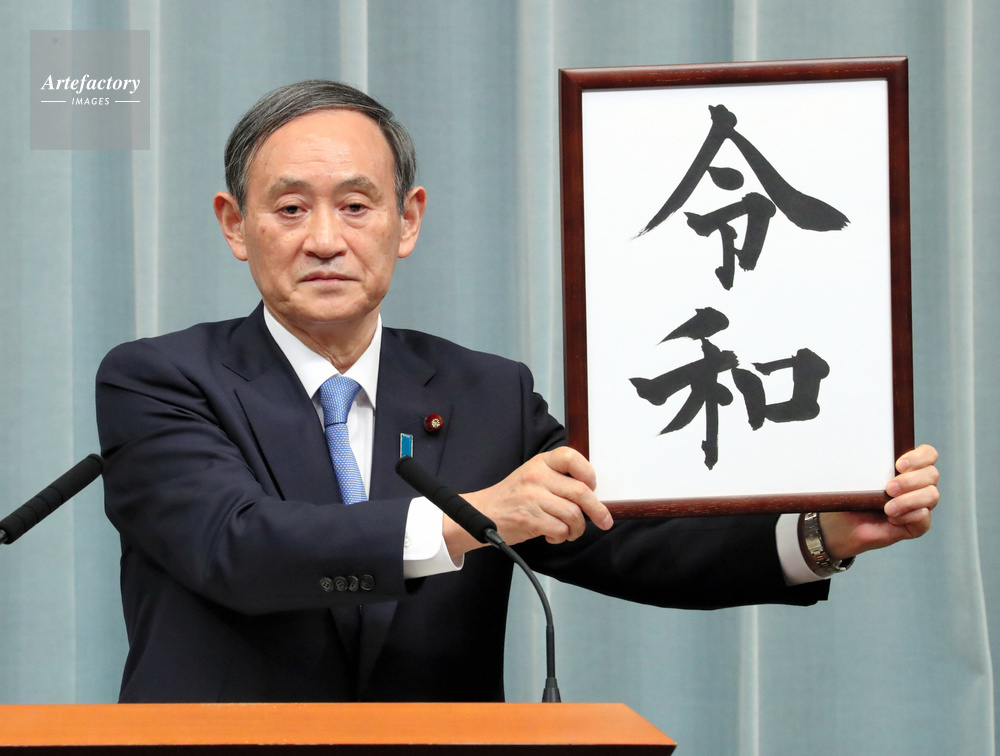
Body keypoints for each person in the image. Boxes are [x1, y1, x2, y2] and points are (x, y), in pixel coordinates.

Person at [96, 80, 940, 703]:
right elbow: (238, 547)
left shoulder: (486, 393)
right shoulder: (158, 379)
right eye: (289, 209)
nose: (324, 238)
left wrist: (820, 533)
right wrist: (474, 517)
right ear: (234, 224)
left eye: (356, 206)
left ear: (408, 220)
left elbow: (623, 536)